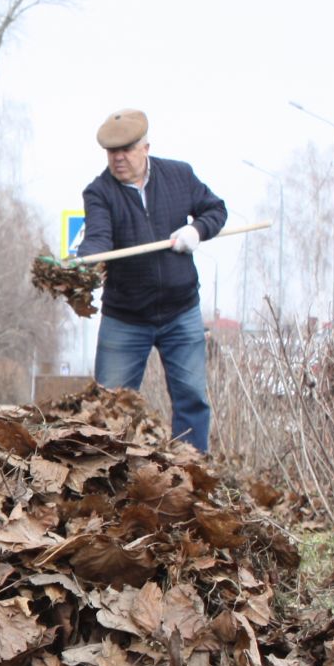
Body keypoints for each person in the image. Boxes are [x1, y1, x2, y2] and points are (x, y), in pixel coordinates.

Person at [78, 109, 227, 451]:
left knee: (192, 398)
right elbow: (98, 236)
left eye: (126, 150)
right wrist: (86, 262)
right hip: (125, 318)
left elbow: (215, 210)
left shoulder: (179, 175)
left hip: (181, 313)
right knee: (109, 406)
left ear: (145, 147)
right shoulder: (99, 193)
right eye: (111, 152)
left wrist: (197, 229)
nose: (118, 158)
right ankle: (107, 474)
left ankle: (192, 472)